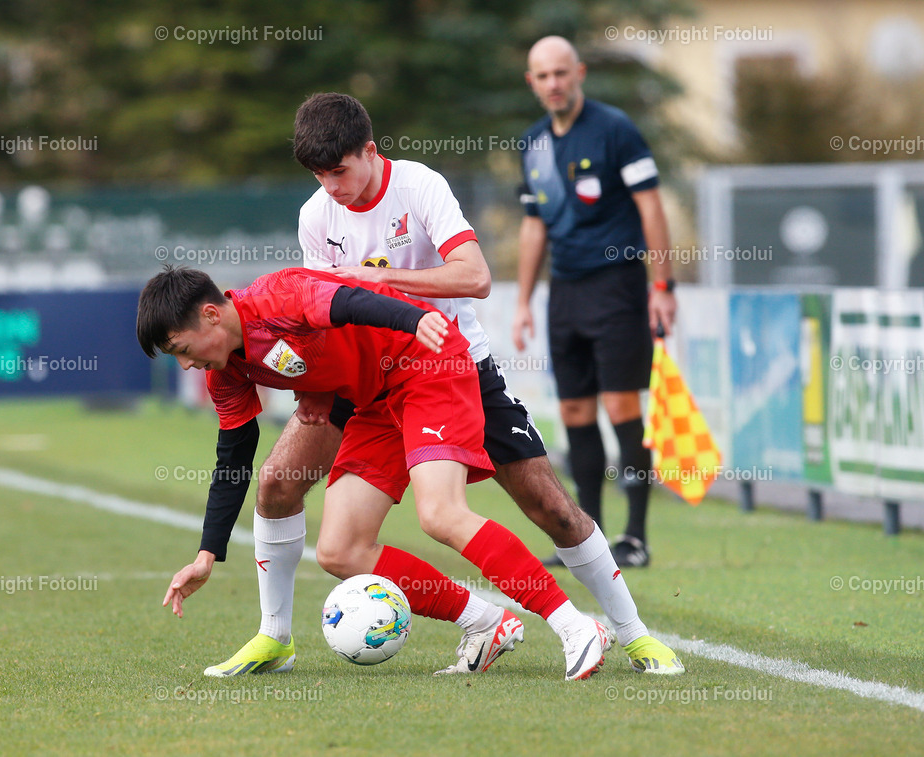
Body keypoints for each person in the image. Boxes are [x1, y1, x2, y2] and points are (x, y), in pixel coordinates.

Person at [212, 92, 682, 677]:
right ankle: (460, 624)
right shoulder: (316, 215)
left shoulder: (418, 186)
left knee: (550, 508)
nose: (330, 187)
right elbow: (318, 312)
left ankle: (633, 635)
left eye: (339, 171)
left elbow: (476, 277)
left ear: (369, 152)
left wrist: (377, 279)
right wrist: (313, 393)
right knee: (307, 513)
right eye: (317, 175)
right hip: (370, 386)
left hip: (450, 367)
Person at [139, 264, 615, 681]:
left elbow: (351, 300)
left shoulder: (277, 297)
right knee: (339, 550)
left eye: (182, 348)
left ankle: (575, 626)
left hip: (428, 363)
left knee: (440, 515)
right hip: (377, 399)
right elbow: (233, 459)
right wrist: (207, 554)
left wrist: (419, 318)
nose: (185, 364)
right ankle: (486, 622)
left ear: (210, 315)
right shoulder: (224, 371)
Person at [513, 36, 677, 570]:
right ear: (531, 82)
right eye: (543, 76)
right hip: (566, 291)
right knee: (574, 411)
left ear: (579, 72)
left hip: (619, 285)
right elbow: (534, 227)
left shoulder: (615, 130)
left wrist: (662, 286)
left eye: (562, 72)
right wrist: (522, 302)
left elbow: (652, 208)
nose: (554, 83)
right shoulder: (533, 144)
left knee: (620, 405)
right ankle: (590, 537)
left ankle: (635, 536)